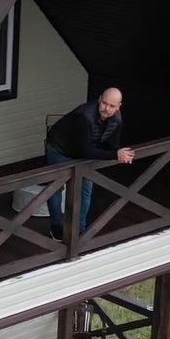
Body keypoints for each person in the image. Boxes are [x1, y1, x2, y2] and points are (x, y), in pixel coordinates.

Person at [44, 88, 134, 239]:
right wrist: (116, 155)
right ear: (99, 99)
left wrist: (121, 154)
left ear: (119, 107)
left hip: (82, 151)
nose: (107, 108)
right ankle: (57, 227)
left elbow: (112, 145)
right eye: (104, 103)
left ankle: (79, 229)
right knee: (56, 188)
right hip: (59, 149)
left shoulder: (117, 119)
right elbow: (86, 150)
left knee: (86, 189)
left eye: (112, 106)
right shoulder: (84, 116)